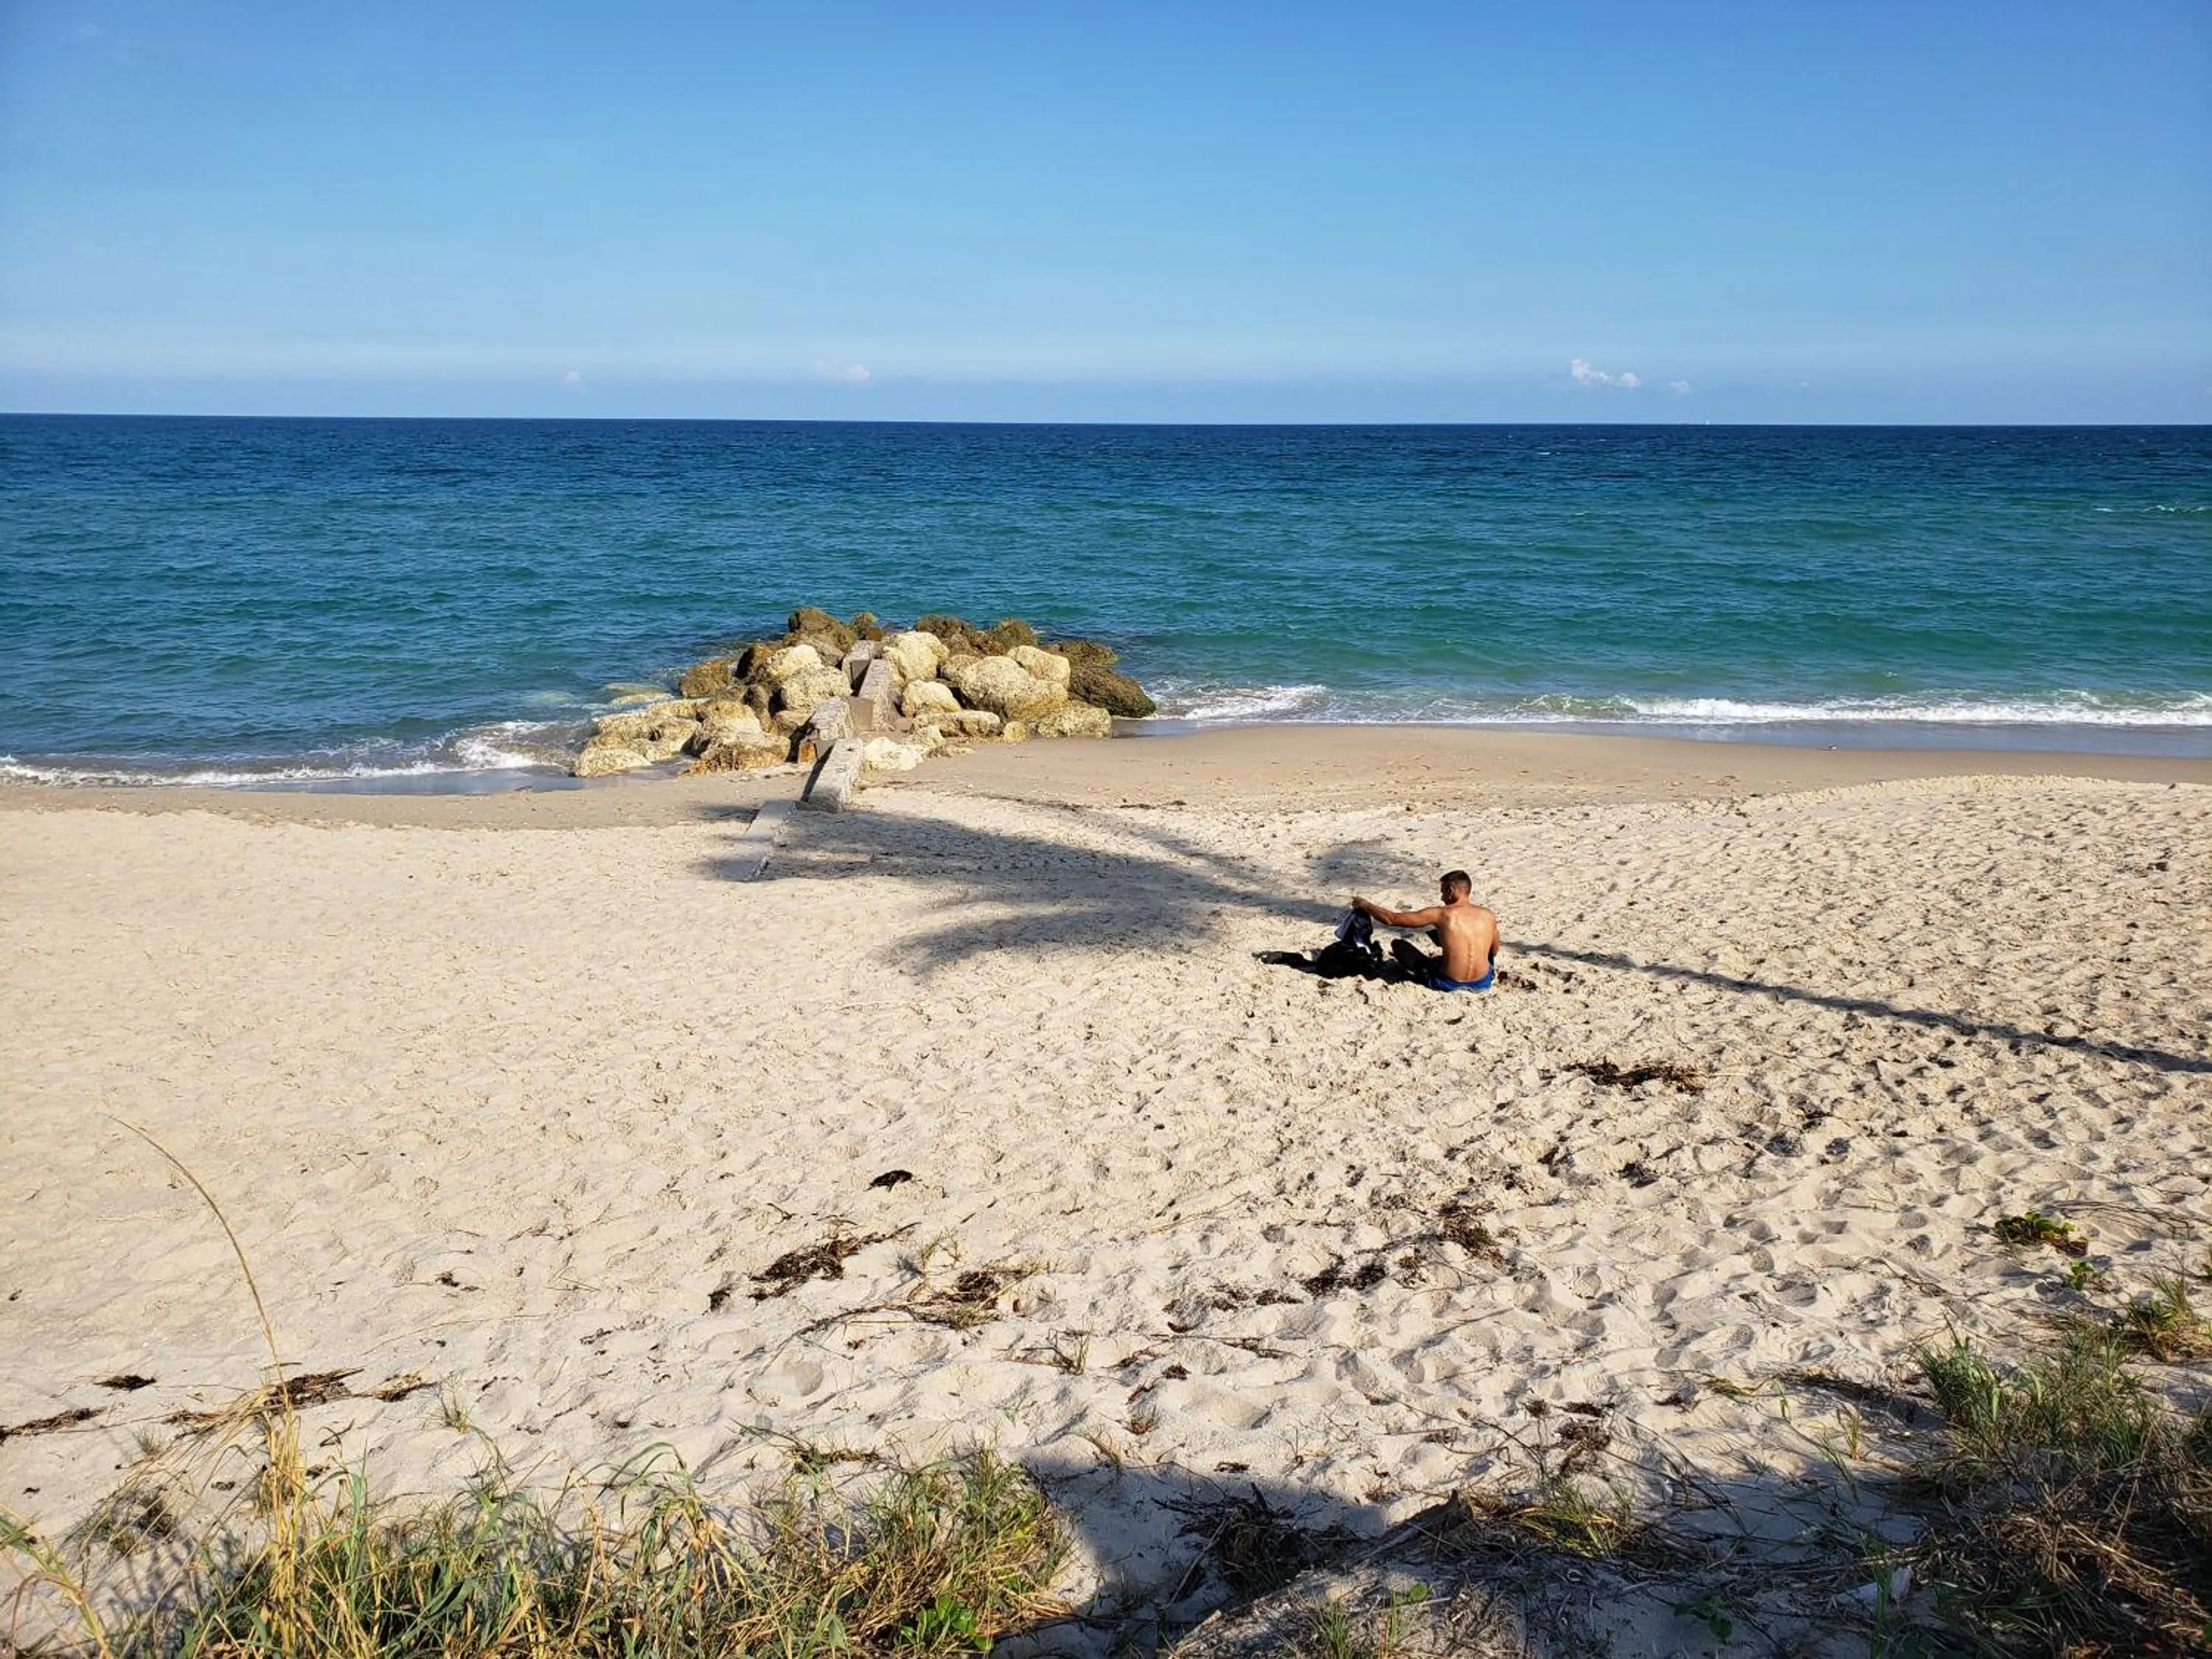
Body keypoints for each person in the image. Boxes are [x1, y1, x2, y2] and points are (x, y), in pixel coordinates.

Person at [1351, 870, 1498, 991]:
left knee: (1399, 945)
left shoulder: (1441, 914)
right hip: (1482, 982)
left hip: (1447, 982)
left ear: (1451, 890)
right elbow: (1494, 951)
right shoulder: (1488, 915)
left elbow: (1391, 919)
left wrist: (1365, 905)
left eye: (1443, 892)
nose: (1442, 898)